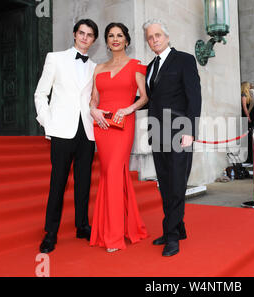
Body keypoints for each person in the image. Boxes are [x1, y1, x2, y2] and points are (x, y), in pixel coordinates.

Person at [34, 19, 99, 254]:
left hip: (87, 132)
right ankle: (50, 233)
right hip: (62, 131)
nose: (84, 37)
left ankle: (82, 226)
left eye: (89, 35)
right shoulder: (55, 58)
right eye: (81, 33)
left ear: (93, 40)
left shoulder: (95, 67)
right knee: (58, 183)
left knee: (83, 183)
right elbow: (41, 94)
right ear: (74, 34)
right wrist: (47, 123)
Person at [88, 23, 149, 253]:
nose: (115, 39)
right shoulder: (99, 68)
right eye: (111, 36)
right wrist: (93, 110)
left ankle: (113, 236)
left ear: (127, 40)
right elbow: (94, 98)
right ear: (106, 41)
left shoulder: (136, 66)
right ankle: (120, 226)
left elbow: (144, 97)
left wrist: (129, 108)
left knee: (114, 171)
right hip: (102, 125)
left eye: (119, 35)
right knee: (109, 174)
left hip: (124, 123)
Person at [143, 19, 202, 257]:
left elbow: (194, 97)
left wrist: (190, 130)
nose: (154, 39)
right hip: (157, 131)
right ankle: (178, 226)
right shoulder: (149, 67)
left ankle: (172, 235)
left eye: (158, 35)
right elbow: (151, 100)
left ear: (167, 37)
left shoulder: (185, 60)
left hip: (179, 130)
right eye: (150, 37)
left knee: (177, 183)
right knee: (165, 183)